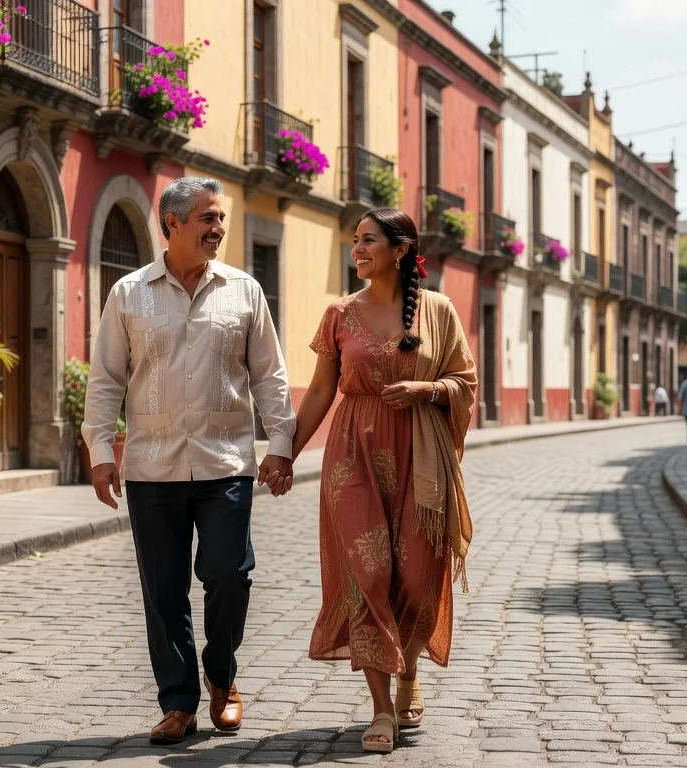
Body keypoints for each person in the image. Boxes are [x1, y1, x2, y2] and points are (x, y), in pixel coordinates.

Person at [83, 177, 298, 746]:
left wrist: (280, 444)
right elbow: (105, 377)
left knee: (230, 572)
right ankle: (177, 701)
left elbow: (269, 376)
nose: (219, 229)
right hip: (152, 467)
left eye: (221, 218)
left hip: (226, 460)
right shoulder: (129, 294)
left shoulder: (244, 291)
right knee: (163, 589)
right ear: (171, 225)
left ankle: (222, 679)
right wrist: (101, 450)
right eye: (207, 218)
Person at [290, 209, 476, 754]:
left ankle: (408, 671)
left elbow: (465, 382)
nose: (357, 249)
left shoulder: (437, 310)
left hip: (420, 456)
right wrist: (285, 453)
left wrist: (428, 391)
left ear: (400, 250)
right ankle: (380, 709)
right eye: (354, 240)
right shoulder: (339, 315)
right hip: (353, 455)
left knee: (417, 578)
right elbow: (321, 392)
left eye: (368, 240)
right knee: (367, 574)